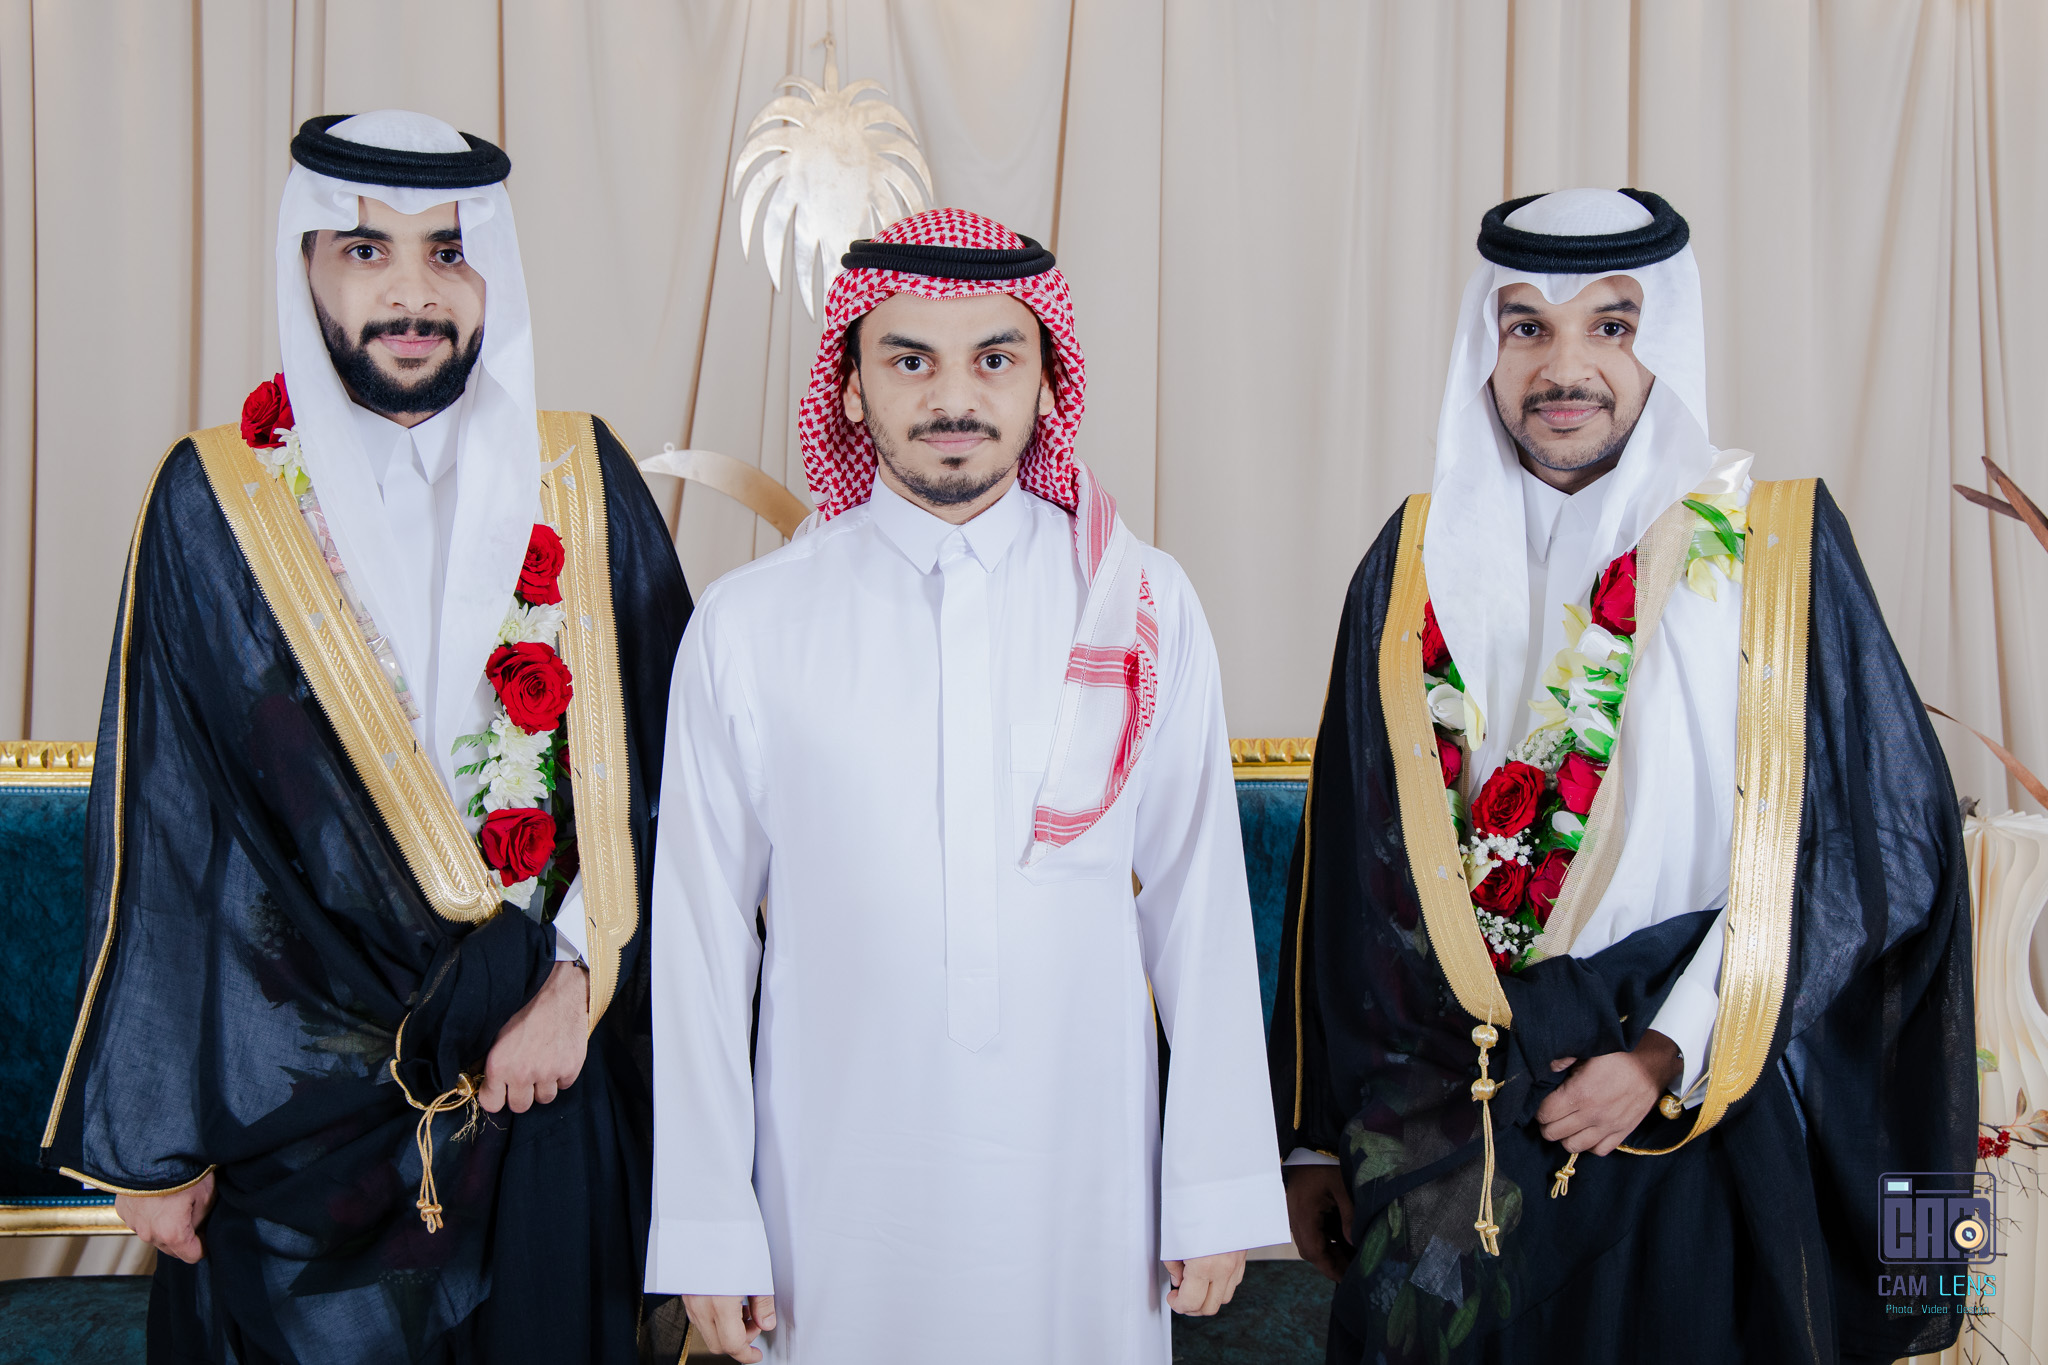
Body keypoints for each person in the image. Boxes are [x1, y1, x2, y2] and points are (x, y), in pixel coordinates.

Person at [1269, 188, 1974, 1364]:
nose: (1564, 367)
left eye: (1611, 325)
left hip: (1687, 1118)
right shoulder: (1407, 561)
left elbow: (1879, 844)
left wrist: (1664, 1054)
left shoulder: (1773, 549)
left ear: (1665, 342)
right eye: (1526, 328)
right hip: (1446, 1129)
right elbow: (1346, 863)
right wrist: (1310, 1138)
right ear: (1486, 346)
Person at [41, 111, 692, 1363]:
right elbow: (168, 823)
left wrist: (576, 983)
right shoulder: (214, 499)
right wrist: (158, 1140)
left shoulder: (581, 478)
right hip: (291, 1111)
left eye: (448, 252)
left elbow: (675, 783)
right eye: (365, 250)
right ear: (306, 266)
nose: (412, 293)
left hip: (540, 1073)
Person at [646, 208, 1288, 1363]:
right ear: (849, 387)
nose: (953, 397)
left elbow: (1196, 907)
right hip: (829, 1191)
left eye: (995, 358)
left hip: (1085, 1186)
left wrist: (1213, 1186)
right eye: (909, 361)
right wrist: (706, 1222)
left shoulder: (1139, 599)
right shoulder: (748, 625)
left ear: (1047, 383)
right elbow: (698, 942)